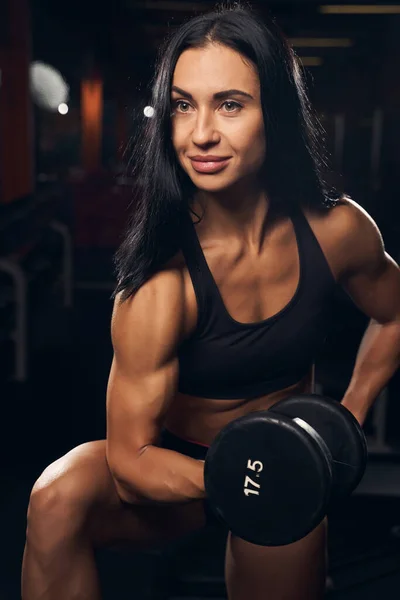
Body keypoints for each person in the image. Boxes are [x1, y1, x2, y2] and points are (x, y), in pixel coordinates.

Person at [22, 4, 400, 600]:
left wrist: (350, 411)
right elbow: (130, 457)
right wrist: (255, 471)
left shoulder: (336, 231)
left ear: (273, 111)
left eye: (230, 104)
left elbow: (394, 311)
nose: (200, 134)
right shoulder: (160, 284)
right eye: (182, 105)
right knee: (57, 496)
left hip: (286, 454)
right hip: (171, 470)